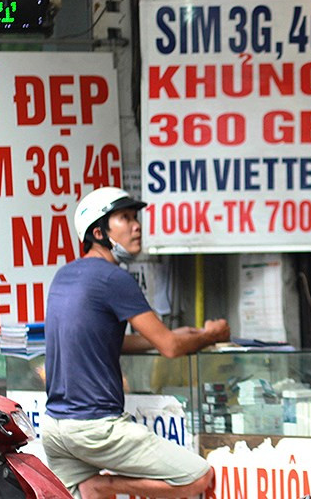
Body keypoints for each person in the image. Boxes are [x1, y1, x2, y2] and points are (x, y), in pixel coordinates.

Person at [42, 186, 231, 499]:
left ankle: (95, 488)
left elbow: (107, 341)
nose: (136, 225)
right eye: (125, 218)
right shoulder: (112, 277)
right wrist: (213, 334)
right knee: (197, 476)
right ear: (99, 232)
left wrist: (181, 335)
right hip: (97, 429)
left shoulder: (66, 274)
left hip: (57, 428)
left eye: (135, 216)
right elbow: (169, 347)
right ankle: (100, 485)